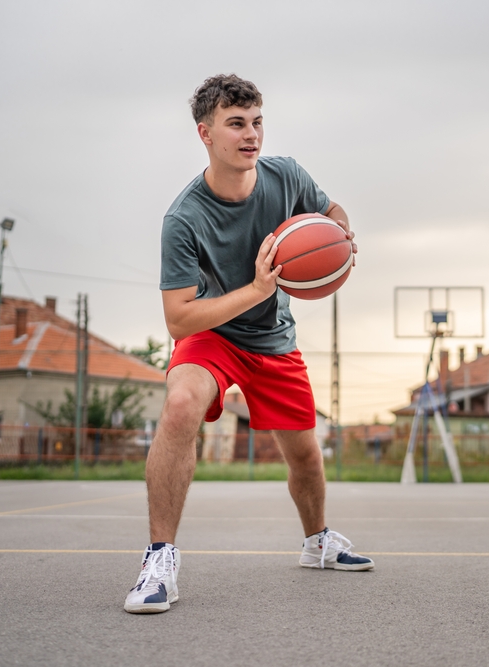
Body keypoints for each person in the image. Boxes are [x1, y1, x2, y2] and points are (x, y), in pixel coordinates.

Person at [124, 74, 374, 614]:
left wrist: (340, 237)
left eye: (257, 122)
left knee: (305, 454)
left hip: (273, 338)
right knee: (181, 404)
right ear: (205, 133)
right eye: (236, 124)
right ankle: (159, 560)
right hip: (212, 334)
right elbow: (178, 320)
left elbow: (331, 211)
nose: (251, 134)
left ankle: (318, 542)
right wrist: (257, 290)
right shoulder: (184, 218)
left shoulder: (287, 176)